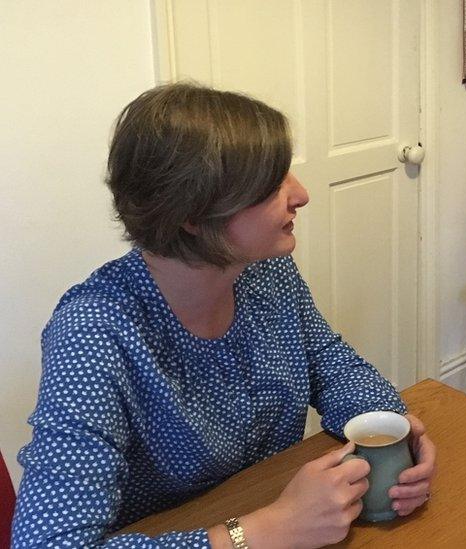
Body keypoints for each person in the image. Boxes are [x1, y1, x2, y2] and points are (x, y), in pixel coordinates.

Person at [12, 83, 436, 548]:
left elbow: (329, 364)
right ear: (192, 213)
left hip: (276, 510)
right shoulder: (93, 333)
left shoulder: (265, 271)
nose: (301, 194)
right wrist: (262, 532)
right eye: (272, 183)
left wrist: (394, 429)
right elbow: (49, 542)